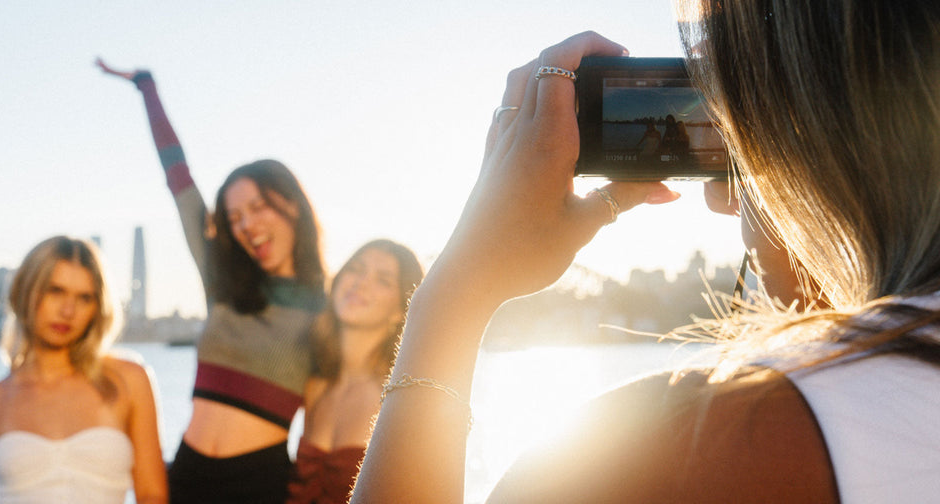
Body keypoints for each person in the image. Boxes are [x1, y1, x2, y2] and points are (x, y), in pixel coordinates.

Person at [352, 0, 940, 501]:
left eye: (736, 137)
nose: (722, 199)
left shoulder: (670, 449)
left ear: (819, 135)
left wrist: (454, 293)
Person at [99, 59, 328, 504]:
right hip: (185, 474)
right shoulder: (224, 283)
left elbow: (330, 421)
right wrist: (147, 89)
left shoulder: (330, 308)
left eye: (259, 206)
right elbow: (179, 181)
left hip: (261, 486)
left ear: (293, 205)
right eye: (235, 216)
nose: (247, 224)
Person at [0, 236, 167, 504]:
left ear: (97, 308)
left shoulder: (128, 381)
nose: (68, 310)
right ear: (25, 292)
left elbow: (152, 495)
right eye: (55, 291)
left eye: (84, 298)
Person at [286, 239, 424, 504]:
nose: (360, 282)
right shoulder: (315, 386)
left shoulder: (399, 398)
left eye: (383, 280)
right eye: (356, 269)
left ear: (400, 311)